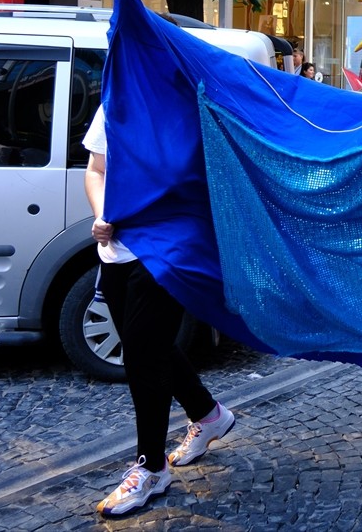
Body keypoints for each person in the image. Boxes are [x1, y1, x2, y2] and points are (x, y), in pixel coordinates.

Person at [84, 106, 235, 516]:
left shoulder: (182, 99)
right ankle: (209, 415)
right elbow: (96, 169)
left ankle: (151, 468)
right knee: (149, 344)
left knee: (141, 355)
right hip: (116, 250)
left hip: (168, 248)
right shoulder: (114, 103)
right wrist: (100, 215)